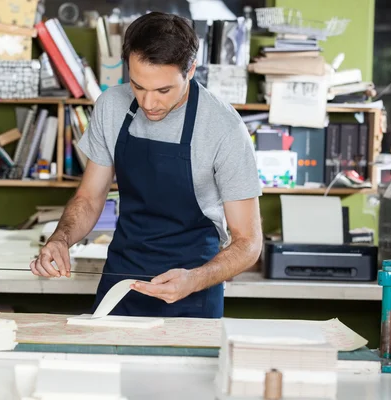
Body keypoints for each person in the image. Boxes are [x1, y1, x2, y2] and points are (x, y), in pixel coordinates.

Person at [30, 12, 263, 318]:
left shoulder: (223, 127)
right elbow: (88, 198)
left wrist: (194, 279)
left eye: (163, 91)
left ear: (190, 70)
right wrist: (60, 240)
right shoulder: (111, 106)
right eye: (138, 86)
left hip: (192, 290)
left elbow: (248, 242)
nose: (148, 103)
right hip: (120, 285)